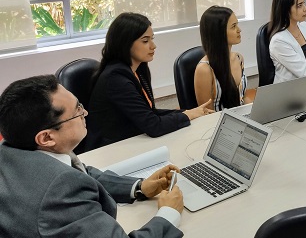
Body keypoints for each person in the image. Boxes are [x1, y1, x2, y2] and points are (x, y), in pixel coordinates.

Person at [0, 75, 184, 238]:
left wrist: (138, 187)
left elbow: (81, 173)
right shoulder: (59, 191)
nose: (85, 113)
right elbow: (67, 184)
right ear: (47, 137)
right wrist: (168, 214)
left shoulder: (12, 149)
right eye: (77, 111)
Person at [89, 13, 213, 149]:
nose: (153, 46)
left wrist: (188, 112)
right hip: (110, 151)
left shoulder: (138, 69)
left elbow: (149, 113)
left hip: (133, 141)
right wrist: (188, 114)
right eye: (145, 41)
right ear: (125, 43)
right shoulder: (115, 80)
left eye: (152, 39)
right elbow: (154, 126)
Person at [195, 6, 253, 110]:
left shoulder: (239, 58)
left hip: (241, 117)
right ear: (218, 32)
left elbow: (243, 97)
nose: (239, 30)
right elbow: (207, 113)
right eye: (233, 26)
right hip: (219, 122)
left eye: (237, 25)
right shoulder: (204, 70)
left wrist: (254, 110)